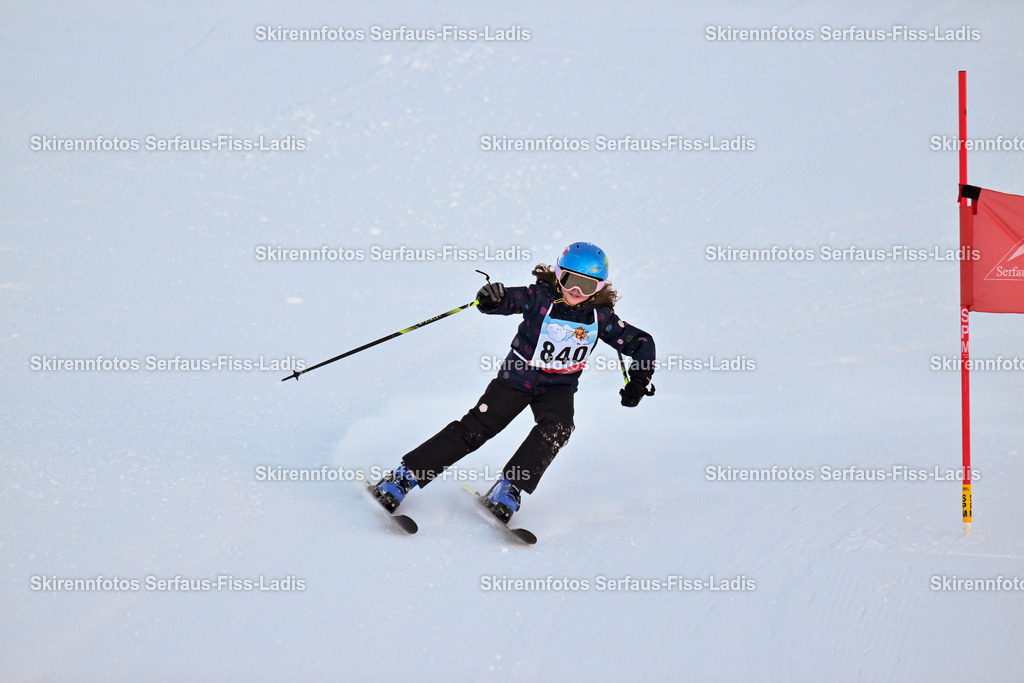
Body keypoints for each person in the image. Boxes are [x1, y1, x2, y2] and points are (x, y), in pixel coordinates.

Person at [374, 242, 656, 522]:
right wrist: (492, 297)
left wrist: (640, 378)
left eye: (587, 285)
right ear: (558, 274)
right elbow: (507, 300)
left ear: (600, 287)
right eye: (570, 280)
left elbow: (641, 342)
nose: (576, 291)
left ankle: (509, 487)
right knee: (475, 429)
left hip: (558, 387)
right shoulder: (540, 297)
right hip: (517, 379)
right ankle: (404, 477)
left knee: (560, 427)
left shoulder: (600, 317)